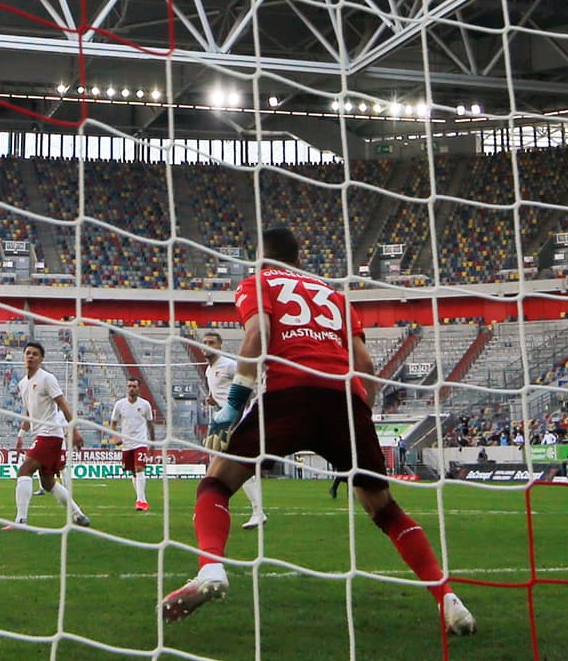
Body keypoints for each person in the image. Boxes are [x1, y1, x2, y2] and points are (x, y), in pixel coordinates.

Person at [161, 227, 476, 636]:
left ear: (264, 256)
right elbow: (362, 361)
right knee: (384, 508)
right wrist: (361, 417)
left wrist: (235, 403)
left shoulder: (257, 282)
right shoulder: (335, 295)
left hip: (290, 393)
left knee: (216, 483)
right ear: (299, 258)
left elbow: (259, 335)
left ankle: (211, 568)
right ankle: (449, 599)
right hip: (345, 401)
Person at [3, 341, 91, 530]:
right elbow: (28, 412)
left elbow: (63, 404)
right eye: (28, 353)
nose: (30, 356)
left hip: (50, 434)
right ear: (23, 356)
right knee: (48, 483)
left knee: (24, 471)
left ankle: (20, 521)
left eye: (35, 354)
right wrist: (21, 434)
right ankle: (79, 515)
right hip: (41, 435)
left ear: (41, 359)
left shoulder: (47, 378)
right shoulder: (22, 384)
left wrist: (73, 430)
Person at [201, 331, 267, 529]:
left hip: (236, 418)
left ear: (220, 346)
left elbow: (251, 386)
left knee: (230, 463)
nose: (207, 345)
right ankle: (212, 508)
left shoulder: (229, 365)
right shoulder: (208, 370)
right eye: (204, 342)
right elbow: (223, 393)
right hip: (224, 418)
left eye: (211, 342)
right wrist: (213, 399)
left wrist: (240, 416)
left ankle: (256, 511)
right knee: (220, 463)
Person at [109, 377, 155, 511]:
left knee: (139, 468)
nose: (131, 389)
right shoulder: (120, 405)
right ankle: (140, 498)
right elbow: (113, 423)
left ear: (138, 388)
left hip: (141, 441)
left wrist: (152, 443)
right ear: (126, 388)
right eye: (129, 386)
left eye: (134, 386)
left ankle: (141, 500)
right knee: (133, 472)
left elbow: (150, 425)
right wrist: (115, 436)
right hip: (126, 443)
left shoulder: (145, 405)